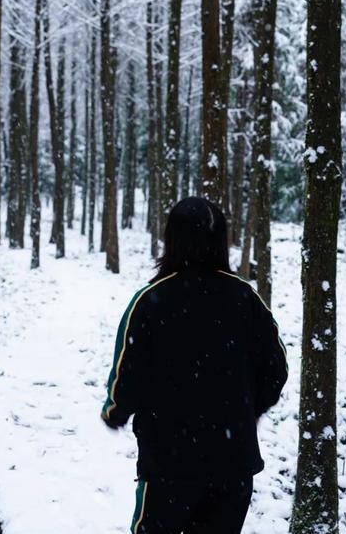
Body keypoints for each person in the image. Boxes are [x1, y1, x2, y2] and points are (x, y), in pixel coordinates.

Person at [101, 196, 288, 534]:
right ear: (221, 241)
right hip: (233, 466)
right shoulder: (245, 297)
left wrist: (115, 412)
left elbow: (127, 373)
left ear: (170, 239)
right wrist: (247, 410)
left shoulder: (150, 301)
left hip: (168, 468)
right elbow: (276, 368)